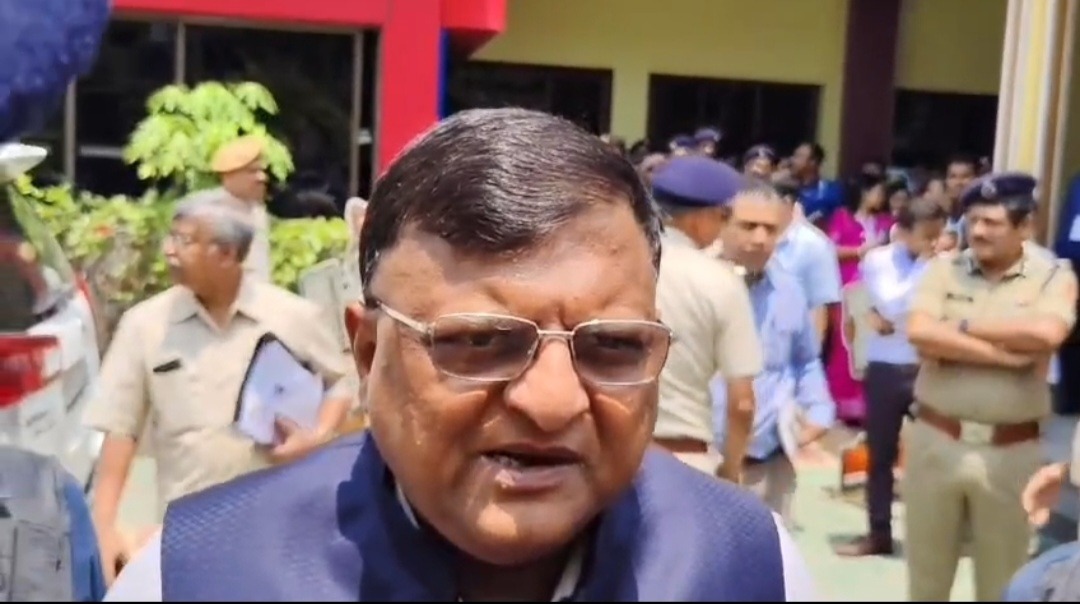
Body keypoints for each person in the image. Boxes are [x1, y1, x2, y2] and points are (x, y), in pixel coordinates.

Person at [104, 108, 815, 602]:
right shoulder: (196, 577)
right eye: (479, 342)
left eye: (613, 346)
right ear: (368, 350)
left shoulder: (749, 568)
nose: (552, 401)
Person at [86, 191, 353, 585]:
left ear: (227, 254)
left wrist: (318, 435)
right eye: (172, 237)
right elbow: (120, 428)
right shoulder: (145, 326)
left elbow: (342, 382)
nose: (169, 250)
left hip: (278, 529)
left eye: (185, 240)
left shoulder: (292, 317)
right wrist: (103, 525)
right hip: (187, 535)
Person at [904, 172, 1078, 601]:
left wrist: (959, 327)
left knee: (1003, 583)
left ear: (1025, 226)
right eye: (973, 220)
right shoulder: (943, 270)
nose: (978, 231)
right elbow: (921, 332)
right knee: (926, 582)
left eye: (992, 223)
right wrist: (1007, 357)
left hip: (1010, 453)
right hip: (935, 443)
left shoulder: (1054, 277)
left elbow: (1045, 334)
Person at [710, 181, 834, 523]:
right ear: (722, 223)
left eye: (771, 229)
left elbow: (805, 359)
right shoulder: (692, 284)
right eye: (749, 226)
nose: (761, 238)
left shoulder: (789, 289)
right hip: (702, 464)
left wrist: (820, 411)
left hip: (769, 465)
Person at [834, 197, 948, 557]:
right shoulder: (879, 260)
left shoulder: (945, 264)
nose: (934, 243)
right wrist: (927, 274)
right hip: (886, 366)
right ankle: (878, 533)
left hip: (929, 364)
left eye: (938, 235)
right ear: (902, 232)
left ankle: (937, 535)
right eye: (927, 236)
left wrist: (891, 314)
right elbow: (893, 302)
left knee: (939, 453)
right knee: (881, 454)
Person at [649, 156, 762, 482]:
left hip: (610, 457)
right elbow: (742, 402)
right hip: (685, 459)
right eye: (723, 216)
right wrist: (731, 470)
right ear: (699, 220)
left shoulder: (615, 264)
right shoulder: (720, 281)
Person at [207, 136, 273, 281]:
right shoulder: (210, 216)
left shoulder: (257, 211)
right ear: (229, 176)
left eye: (261, 170)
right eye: (252, 171)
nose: (262, 177)